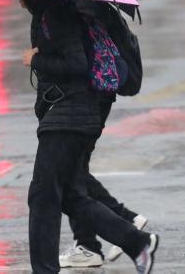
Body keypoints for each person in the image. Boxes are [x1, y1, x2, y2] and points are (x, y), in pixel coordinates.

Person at [16, 0, 159, 274]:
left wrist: (35, 60)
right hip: (78, 115)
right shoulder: (58, 12)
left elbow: (76, 64)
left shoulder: (56, 14)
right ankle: (136, 241)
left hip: (68, 118)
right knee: (70, 194)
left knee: (43, 196)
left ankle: (45, 269)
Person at [59, 93, 149, 268]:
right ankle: (89, 244)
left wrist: (38, 63)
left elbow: (76, 66)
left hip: (85, 99)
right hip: (87, 99)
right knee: (74, 171)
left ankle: (91, 244)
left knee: (71, 173)